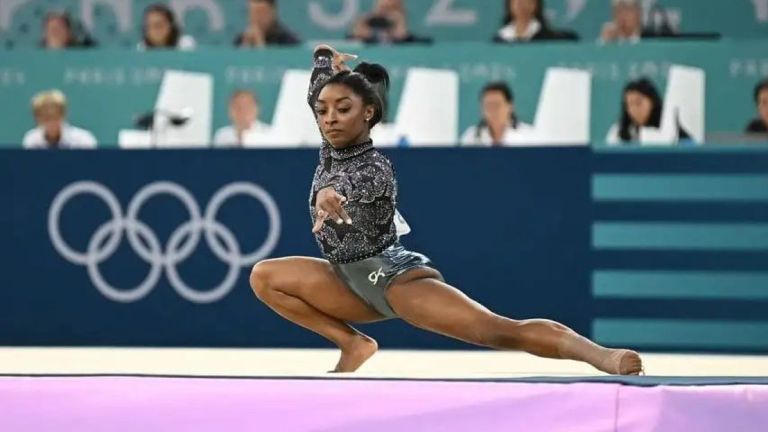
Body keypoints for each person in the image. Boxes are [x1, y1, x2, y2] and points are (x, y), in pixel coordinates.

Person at [248, 44, 643, 375]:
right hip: (347, 280)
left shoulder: (375, 166)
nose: (329, 119)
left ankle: (601, 355)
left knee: (499, 330)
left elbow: (350, 185)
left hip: (393, 280)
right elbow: (318, 91)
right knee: (265, 276)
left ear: (368, 112)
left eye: (343, 109)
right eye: (323, 111)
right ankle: (353, 343)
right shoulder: (329, 145)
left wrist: (328, 193)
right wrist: (323, 57)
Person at [461, 81, 533, 146]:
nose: (492, 110)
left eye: (496, 105)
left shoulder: (529, 135)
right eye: (488, 105)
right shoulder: (470, 137)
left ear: (510, 106)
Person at [22, 90, 97, 149]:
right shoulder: (31, 140)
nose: (51, 122)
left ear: (64, 115)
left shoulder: (83, 140)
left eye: (55, 116)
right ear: (37, 118)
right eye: (46, 117)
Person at [348, 0, 430, 45]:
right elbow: (355, 37)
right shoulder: (367, 27)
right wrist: (363, 22)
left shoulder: (411, 39)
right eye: (383, 8)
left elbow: (401, 36)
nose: (386, 13)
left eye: (391, 8)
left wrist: (399, 21)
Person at [494, 0, 579, 43]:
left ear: (536, 5)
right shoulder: (499, 40)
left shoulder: (549, 38)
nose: (522, 5)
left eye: (527, 1)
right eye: (518, 2)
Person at [234, 0, 300, 48]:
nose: (257, 19)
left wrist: (260, 44)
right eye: (253, 14)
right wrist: (245, 46)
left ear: (273, 13)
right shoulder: (240, 40)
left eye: (261, 14)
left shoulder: (289, 42)